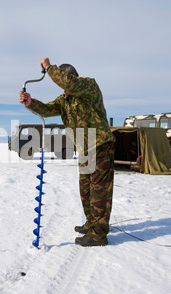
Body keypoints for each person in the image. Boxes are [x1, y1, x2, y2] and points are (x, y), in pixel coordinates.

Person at [19, 58, 115, 247]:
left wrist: (48, 67)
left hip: (100, 145)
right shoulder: (65, 100)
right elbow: (47, 109)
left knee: (99, 192)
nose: (63, 87)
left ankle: (99, 234)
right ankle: (91, 224)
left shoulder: (89, 86)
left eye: (64, 79)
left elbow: (68, 83)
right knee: (86, 190)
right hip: (84, 149)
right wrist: (30, 102)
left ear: (72, 76)